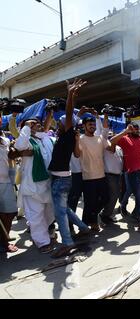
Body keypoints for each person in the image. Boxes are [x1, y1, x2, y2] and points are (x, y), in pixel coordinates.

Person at [47, 79, 91, 258]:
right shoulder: (70, 137)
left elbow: (68, 113)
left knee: (60, 213)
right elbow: (78, 154)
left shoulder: (67, 135)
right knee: (64, 208)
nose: (57, 124)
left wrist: (70, 94)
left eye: (60, 123)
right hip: (64, 178)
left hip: (60, 180)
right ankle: (83, 228)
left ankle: (67, 243)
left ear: (66, 125)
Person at [15, 113, 55, 254]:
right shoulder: (27, 142)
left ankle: (44, 233)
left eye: (38, 122)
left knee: (50, 214)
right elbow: (19, 145)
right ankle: (42, 242)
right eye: (33, 123)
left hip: (48, 183)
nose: (37, 124)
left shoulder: (46, 140)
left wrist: (50, 114)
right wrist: (26, 127)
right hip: (32, 186)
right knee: (36, 216)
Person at [74, 113, 110, 232]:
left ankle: (93, 218)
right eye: (90, 124)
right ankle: (85, 226)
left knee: (106, 198)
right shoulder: (81, 139)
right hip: (88, 177)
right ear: (84, 126)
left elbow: (110, 147)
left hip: (101, 175)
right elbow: (77, 154)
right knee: (89, 203)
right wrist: (76, 140)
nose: (92, 126)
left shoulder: (99, 138)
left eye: (94, 124)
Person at [0, 119, 19, 253]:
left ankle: (4, 241)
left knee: (10, 212)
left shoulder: (4, 138)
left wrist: (13, 148)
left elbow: (8, 157)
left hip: (6, 181)